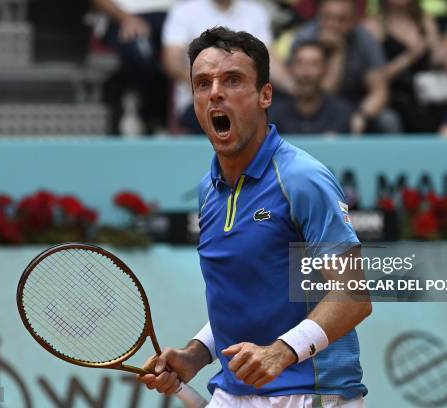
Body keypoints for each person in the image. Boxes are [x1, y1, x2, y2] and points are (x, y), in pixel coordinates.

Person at [136, 27, 371, 407]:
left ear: (265, 95)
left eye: (232, 80)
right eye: (202, 83)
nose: (215, 92)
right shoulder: (208, 191)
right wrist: (197, 354)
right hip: (233, 392)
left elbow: (353, 296)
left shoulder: (302, 179)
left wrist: (281, 352)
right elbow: (252, 298)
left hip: (311, 393)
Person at [162, 0, 295, 134]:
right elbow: (172, 62)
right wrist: (205, 87)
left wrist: (294, 87)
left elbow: (268, 59)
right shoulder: (183, 11)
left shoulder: (255, 12)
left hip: (245, 102)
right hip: (197, 105)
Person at [291, 0, 401, 134]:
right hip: (313, 106)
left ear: (354, 21)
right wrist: (338, 53)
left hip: (355, 105)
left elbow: (380, 90)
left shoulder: (364, 39)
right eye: (328, 18)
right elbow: (324, 93)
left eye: (342, 19)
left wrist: (362, 115)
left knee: (388, 120)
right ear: (319, 16)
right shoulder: (306, 37)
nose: (333, 25)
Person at [363, 0, 447, 132]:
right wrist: (410, 57)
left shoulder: (426, 21)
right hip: (395, 96)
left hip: (430, 94)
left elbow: (437, 59)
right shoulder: (373, 27)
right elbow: (373, 79)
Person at [92, 0, 173, 135]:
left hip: (173, 17)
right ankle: (141, 115)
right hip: (123, 17)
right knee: (141, 53)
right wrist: (125, 18)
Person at [270, 40, 354, 134]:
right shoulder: (275, 114)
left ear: (325, 69)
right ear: (290, 68)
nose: (306, 73)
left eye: (314, 64)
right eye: (300, 64)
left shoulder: (341, 113)